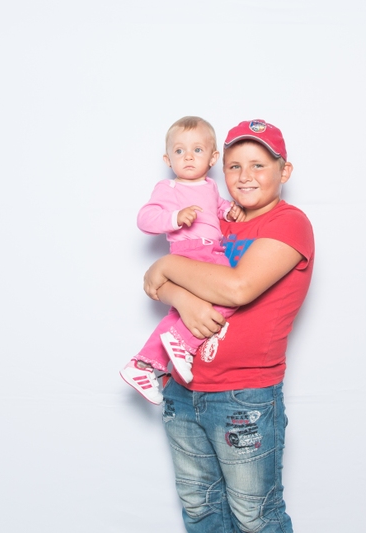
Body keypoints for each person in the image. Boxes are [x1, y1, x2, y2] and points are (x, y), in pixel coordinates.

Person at [143, 119, 315, 532]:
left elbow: (238, 288)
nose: (245, 176)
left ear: (284, 171)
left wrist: (167, 265)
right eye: (235, 166)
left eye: (258, 165)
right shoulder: (217, 221)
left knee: (254, 517)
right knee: (201, 510)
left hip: (243, 397)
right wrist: (182, 297)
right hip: (182, 389)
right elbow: (154, 286)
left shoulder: (288, 222)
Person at [120, 116, 245, 405]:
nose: (188, 156)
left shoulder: (210, 187)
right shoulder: (169, 188)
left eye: (197, 150)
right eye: (179, 151)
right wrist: (176, 217)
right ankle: (184, 343)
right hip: (192, 252)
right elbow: (145, 218)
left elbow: (217, 208)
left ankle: (141, 366)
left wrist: (229, 211)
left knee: (179, 316)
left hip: (209, 250)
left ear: (213, 158)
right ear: (168, 159)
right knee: (231, 295)